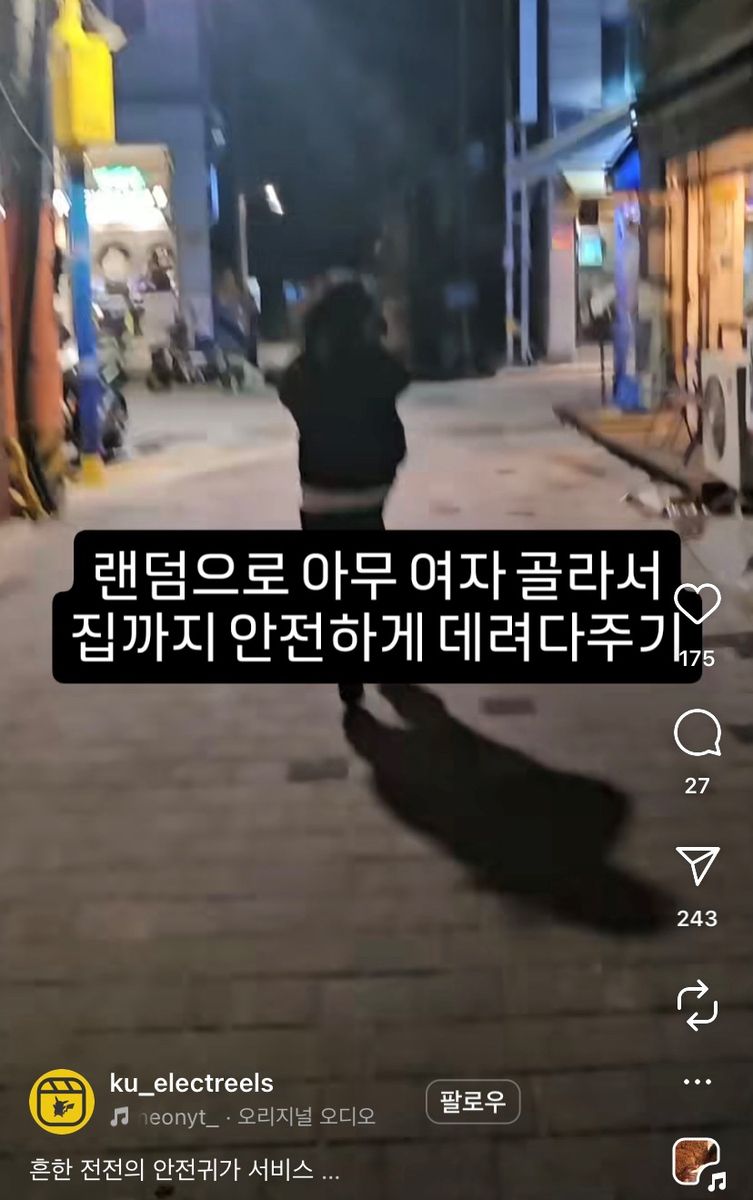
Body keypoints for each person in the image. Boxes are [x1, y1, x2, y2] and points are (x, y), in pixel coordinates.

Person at [278, 276, 410, 709]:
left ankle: (348, 672)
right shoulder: (374, 364)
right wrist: (382, 333)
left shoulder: (304, 372)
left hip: (319, 494)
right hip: (370, 491)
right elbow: (402, 374)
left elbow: (287, 391)